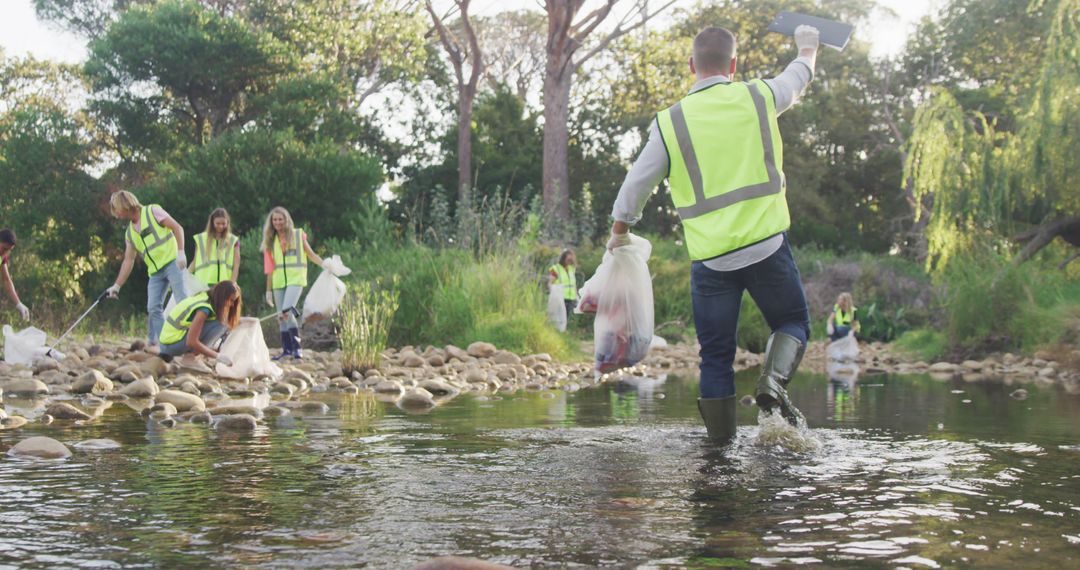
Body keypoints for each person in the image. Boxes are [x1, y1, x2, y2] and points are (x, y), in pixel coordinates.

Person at [606, 25, 822, 441]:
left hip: (712, 262)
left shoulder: (670, 123)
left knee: (716, 358)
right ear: (734, 65)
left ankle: (720, 452)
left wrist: (619, 232)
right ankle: (772, 384)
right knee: (792, 321)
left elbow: (635, 186)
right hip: (767, 248)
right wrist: (807, 46)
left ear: (692, 66)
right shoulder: (758, 96)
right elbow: (799, 76)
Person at [105, 191, 188, 350]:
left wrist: (181, 252)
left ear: (125, 205)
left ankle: (191, 341)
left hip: (172, 263)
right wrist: (117, 286)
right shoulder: (129, 233)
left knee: (182, 301)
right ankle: (166, 346)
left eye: (117, 209)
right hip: (155, 272)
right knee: (153, 307)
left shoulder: (152, 211)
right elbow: (128, 260)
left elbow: (178, 228)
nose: (116, 214)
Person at [261, 207, 323, 360]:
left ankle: (297, 349)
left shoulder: (297, 234)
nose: (277, 222)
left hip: (296, 279)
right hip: (278, 282)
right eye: (274, 220)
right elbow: (269, 269)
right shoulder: (270, 240)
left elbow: (310, 254)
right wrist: (268, 291)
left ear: (286, 219)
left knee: (287, 311)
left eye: (280, 219)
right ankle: (286, 351)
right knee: (281, 316)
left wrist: (325, 264)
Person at [158, 280, 241, 368]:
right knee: (222, 324)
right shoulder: (203, 309)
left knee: (222, 322)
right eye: (231, 300)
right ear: (222, 297)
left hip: (167, 344)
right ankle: (191, 358)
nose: (232, 305)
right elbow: (191, 341)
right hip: (171, 346)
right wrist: (217, 356)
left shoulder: (205, 297)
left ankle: (193, 356)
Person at [190, 208, 241, 287]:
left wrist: (233, 283)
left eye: (223, 223)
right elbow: (195, 261)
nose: (221, 226)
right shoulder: (201, 239)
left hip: (224, 285)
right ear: (212, 222)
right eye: (218, 223)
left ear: (227, 222)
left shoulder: (233, 240)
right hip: (203, 285)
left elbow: (236, 264)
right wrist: (184, 277)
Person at [0, 229, 30, 321]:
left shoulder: (2, 257)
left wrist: (18, 304)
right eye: (5, 248)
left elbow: (6, 280)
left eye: (9, 250)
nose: (6, 252)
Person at [548, 249, 579, 321]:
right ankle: (556, 330)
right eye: (568, 260)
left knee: (566, 317)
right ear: (563, 259)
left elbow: (573, 283)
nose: (569, 262)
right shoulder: (556, 269)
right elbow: (550, 283)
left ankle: (562, 330)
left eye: (571, 260)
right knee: (558, 317)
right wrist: (552, 295)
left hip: (570, 298)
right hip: (560, 298)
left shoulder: (571, 269)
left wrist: (576, 295)